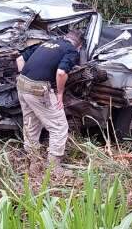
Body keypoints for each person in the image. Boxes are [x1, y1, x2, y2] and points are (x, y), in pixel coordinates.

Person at [15, 29, 83, 178]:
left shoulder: (47, 43)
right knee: (59, 126)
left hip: (21, 85)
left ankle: (34, 163)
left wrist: (27, 78)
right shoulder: (72, 51)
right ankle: (54, 168)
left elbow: (19, 59)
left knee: (31, 124)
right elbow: (61, 73)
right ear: (79, 46)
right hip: (38, 90)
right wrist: (59, 93)